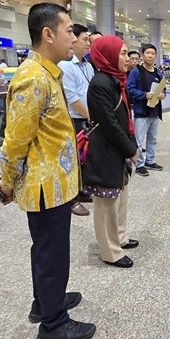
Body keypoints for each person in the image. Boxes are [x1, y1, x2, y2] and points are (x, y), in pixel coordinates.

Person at [0, 2, 95, 339]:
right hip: (44, 186)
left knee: (47, 249)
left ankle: (46, 302)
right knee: (52, 253)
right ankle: (53, 325)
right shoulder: (32, 78)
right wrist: (6, 179)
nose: (74, 38)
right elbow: (16, 138)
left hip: (55, 182)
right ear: (48, 34)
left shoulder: (48, 73)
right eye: (69, 32)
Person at [84, 36, 141, 269]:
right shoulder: (100, 83)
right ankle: (110, 251)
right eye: (122, 53)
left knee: (120, 196)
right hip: (107, 149)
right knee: (107, 202)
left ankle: (120, 237)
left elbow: (125, 117)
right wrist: (131, 149)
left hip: (119, 149)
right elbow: (108, 123)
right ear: (107, 55)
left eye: (127, 53)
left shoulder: (116, 79)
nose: (126, 59)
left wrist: (131, 145)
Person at [58, 24, 94, 217]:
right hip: (75, 119)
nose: (88, 43)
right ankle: (71, 200)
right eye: (85, 39)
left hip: (87, 118)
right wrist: (90, 115)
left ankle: (81, 191)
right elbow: (72, 98)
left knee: (83, 159)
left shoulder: (87, 65)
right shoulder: (65, 65)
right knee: (72, 160)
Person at [126, 44, 165, 177]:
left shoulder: (158, 73)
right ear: (143, 54)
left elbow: (162, 88)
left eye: (153, 53)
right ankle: (139, 164)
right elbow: (129, 89)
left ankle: (150, 160)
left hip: (155, 111)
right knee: (139, 139)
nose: (150, 56)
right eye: (147, 53)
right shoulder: (136, 72)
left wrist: (162, 94)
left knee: (152, 139)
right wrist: (144, 95)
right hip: (142, 112)